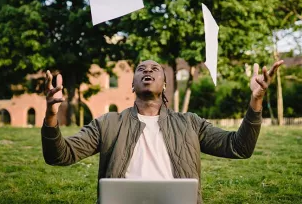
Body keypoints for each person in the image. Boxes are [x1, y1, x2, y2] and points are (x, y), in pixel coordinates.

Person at [42, 59, 283, 204]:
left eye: (155, 69)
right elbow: (60, 156)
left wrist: (256, 101)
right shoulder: (108, 123)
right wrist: (52, 115)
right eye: (141, 69)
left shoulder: (190, 122)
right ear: (133, 84)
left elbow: (239, 147)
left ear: (165, 84)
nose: (147, 71)